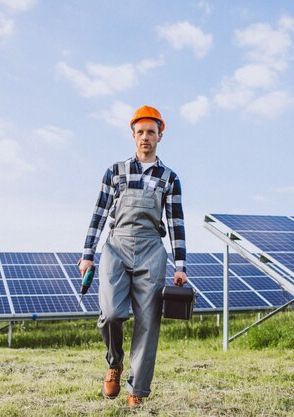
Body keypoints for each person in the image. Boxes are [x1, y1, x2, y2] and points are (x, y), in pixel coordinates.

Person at [78, 105, 187, 407]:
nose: (145, 137)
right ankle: (114, 362)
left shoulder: (170, 178)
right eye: (140, 132)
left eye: (151, 132)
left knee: (148, 321)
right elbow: (99, 214)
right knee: (111, 313)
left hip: (152, 249)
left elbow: (176, 223)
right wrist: (88, 254)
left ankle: (136, 390)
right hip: (116, 246)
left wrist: (180, 265)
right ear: (133, 135)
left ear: (160, 135)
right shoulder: (115, 171)